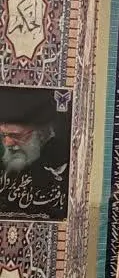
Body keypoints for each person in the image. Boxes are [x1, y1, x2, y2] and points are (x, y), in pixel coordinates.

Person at [0, 86, 69, 218]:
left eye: (16, 136)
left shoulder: (60, 176)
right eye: (4, 135)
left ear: (42, 135)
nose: (8, 143)